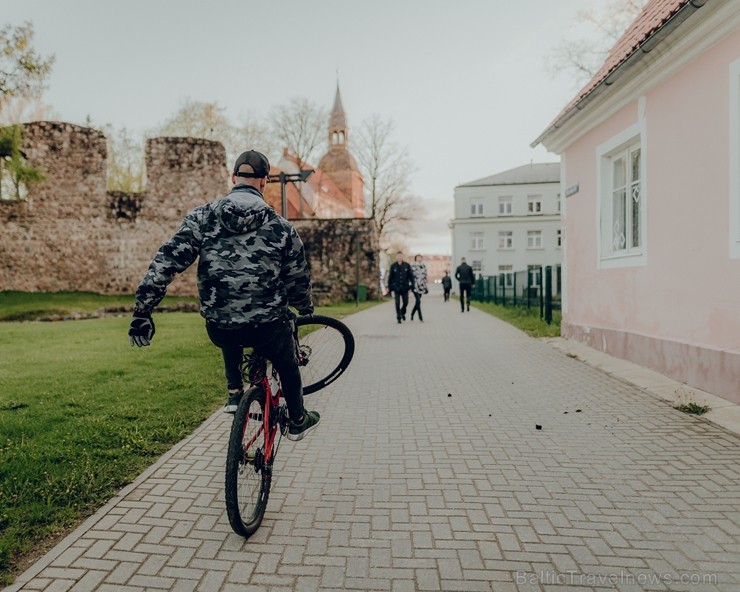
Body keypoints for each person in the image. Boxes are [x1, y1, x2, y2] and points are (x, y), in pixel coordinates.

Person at [128, 150, 319, 442]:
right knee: (286, 360)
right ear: (264, 183)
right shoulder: (282, 228)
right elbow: (297, 279)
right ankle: (296, 420)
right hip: (267, 326)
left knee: (227, 319)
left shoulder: (202, 218)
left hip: (219, 327)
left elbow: (167, 260)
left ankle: (233, 393)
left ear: (233, 178)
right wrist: (304, 307)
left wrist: (143, 310)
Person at [387, 251, 413, 323]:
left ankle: (402, 312)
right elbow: (390, 278)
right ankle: (398, 317)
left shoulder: (407, 265)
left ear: (402, 257)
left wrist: (411, 285)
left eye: (400, 256)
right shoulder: (393, 266)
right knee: (397, 303)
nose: (399, 257)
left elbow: (411, 277)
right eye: (398, 256)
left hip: (405, 288)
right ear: (396, 257)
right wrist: (390, 287)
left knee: (406, 302)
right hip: (397, 288)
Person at [410, 254, 428, 322]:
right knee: (418, 301)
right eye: (418, 257)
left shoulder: (423, 266)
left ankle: (412, 314)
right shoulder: (413, 266)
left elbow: (425, 276)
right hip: (415, 286)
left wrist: (425, 285)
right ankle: (420, 317)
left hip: (421, 286)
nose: (419, 259)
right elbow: (411, 276)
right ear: (415, 258)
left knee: (418, 302)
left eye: (420, 257)